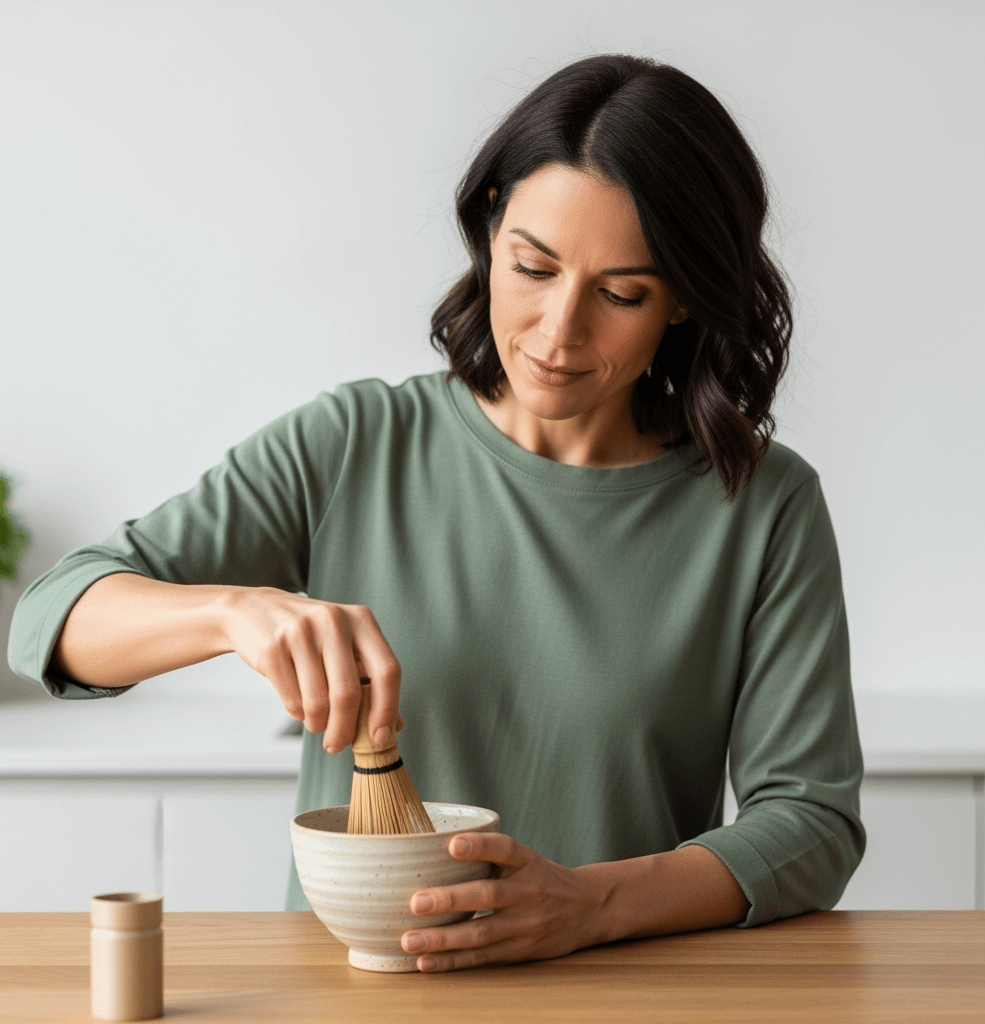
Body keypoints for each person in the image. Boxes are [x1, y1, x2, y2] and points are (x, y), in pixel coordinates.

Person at [8, 54, 864, 972]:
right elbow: (50, 621)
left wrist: (590, 906)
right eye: (532, 266)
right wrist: (233, 611)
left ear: (685, 298)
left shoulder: (763, 505)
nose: (557, 331)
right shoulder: (352, 446)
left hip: (620, 990)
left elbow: (811, 822)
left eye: (621, 294)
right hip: (353, 996)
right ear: (491, 224)